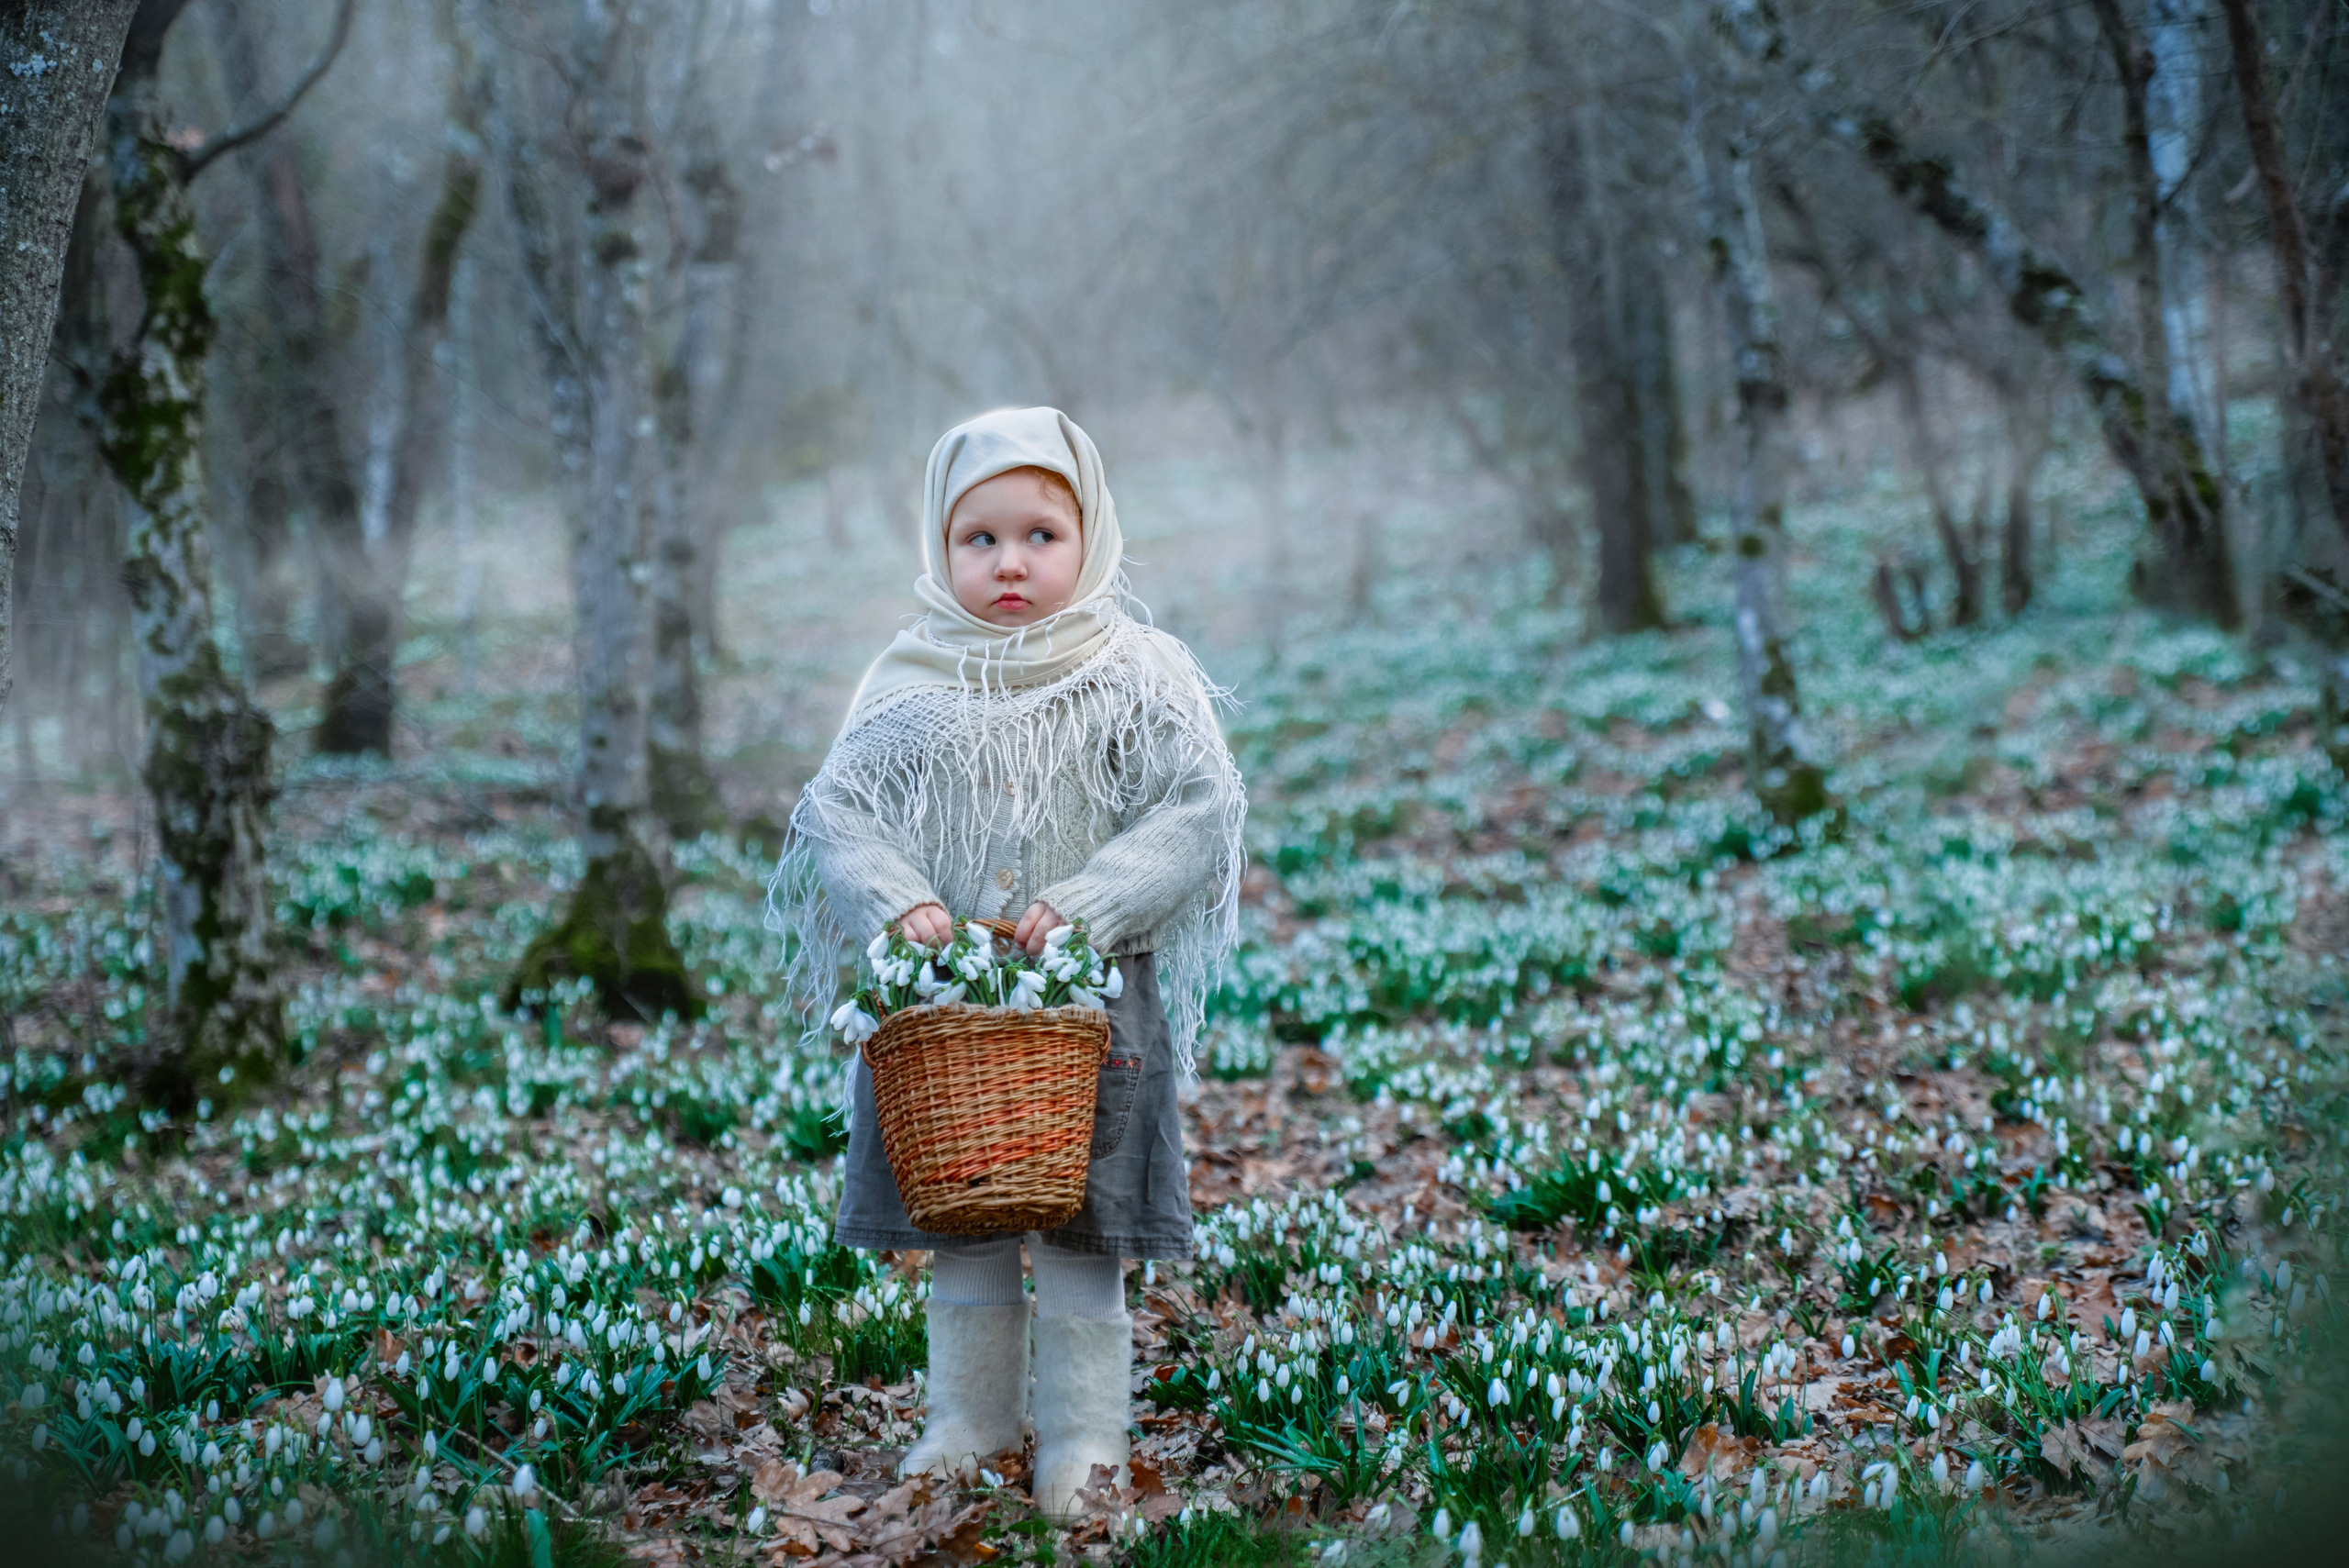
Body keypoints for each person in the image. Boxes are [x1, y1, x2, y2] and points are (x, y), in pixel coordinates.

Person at [766, 406, 1246, 1516]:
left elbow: (1198, 806)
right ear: (940, 549)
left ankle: (1084, 1436)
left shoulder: (1134, 672)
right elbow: (838, 815)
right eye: (978, 538)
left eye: (1040, 533)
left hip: (1094, 993)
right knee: (967, 1212)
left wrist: (1090, 897)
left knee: (1084, 1227)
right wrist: (900, 898)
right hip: (945, 1007)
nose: (1011, 561)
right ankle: (968, 1420)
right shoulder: (911, 683)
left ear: (1090, 537)